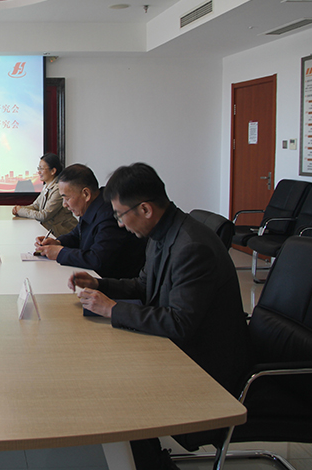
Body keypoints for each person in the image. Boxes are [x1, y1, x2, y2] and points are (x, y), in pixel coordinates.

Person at [69, 162, 251, 469]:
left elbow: (180, 324)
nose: (120, 225)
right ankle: (143, 455)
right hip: (180, 347)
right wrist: (101, 284)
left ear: (145, 209)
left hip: (205, 366)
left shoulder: (192, 247)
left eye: (120, 215)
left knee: (111, 379)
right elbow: (144, 285)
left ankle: (147, 460)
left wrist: (112, 309)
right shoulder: (162, 232)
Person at [34, 163, 145, 278]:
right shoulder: (92, 204)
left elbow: (98, 259)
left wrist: (60, 253)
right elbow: (77, 235)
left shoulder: (108, 215)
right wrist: (58, 242)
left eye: (67, 198)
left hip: (114, 283)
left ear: (86, 194)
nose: (64, 204)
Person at [12, 153, 78, 236]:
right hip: (51, 232)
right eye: (38, 168)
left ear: (53, 171)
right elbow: (36, 206)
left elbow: (44, 215)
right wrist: (19, 209)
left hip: (64, 235)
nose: (39, 172)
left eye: (42, 169)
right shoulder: (46, 186)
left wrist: (20, 211)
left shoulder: (58, 189)